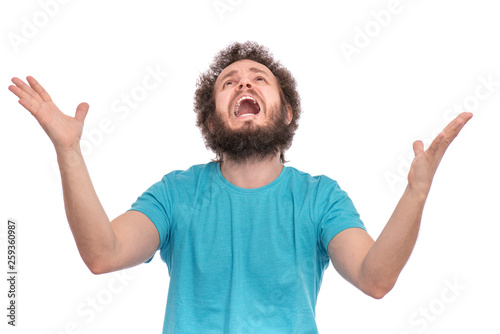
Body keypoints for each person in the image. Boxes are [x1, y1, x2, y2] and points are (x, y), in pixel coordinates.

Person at [8, 41, 472, 333]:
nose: (242, 84)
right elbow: (102, 254)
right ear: (212, 118)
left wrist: (415, 194)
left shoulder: (320, 198)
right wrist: (68, 151)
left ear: (286, 112)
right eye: (228, 83)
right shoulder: (176, 193)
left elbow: (375, 279)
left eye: (258, 79)